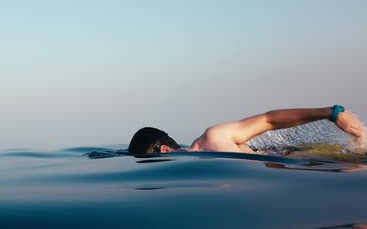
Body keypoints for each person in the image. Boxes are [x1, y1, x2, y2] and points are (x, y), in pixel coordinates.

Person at [128, 105, 364, 154]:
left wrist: (333, 113)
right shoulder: (212, 140)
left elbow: (269, 120)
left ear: (165, 151)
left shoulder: (212, 140)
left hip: (316, 160)